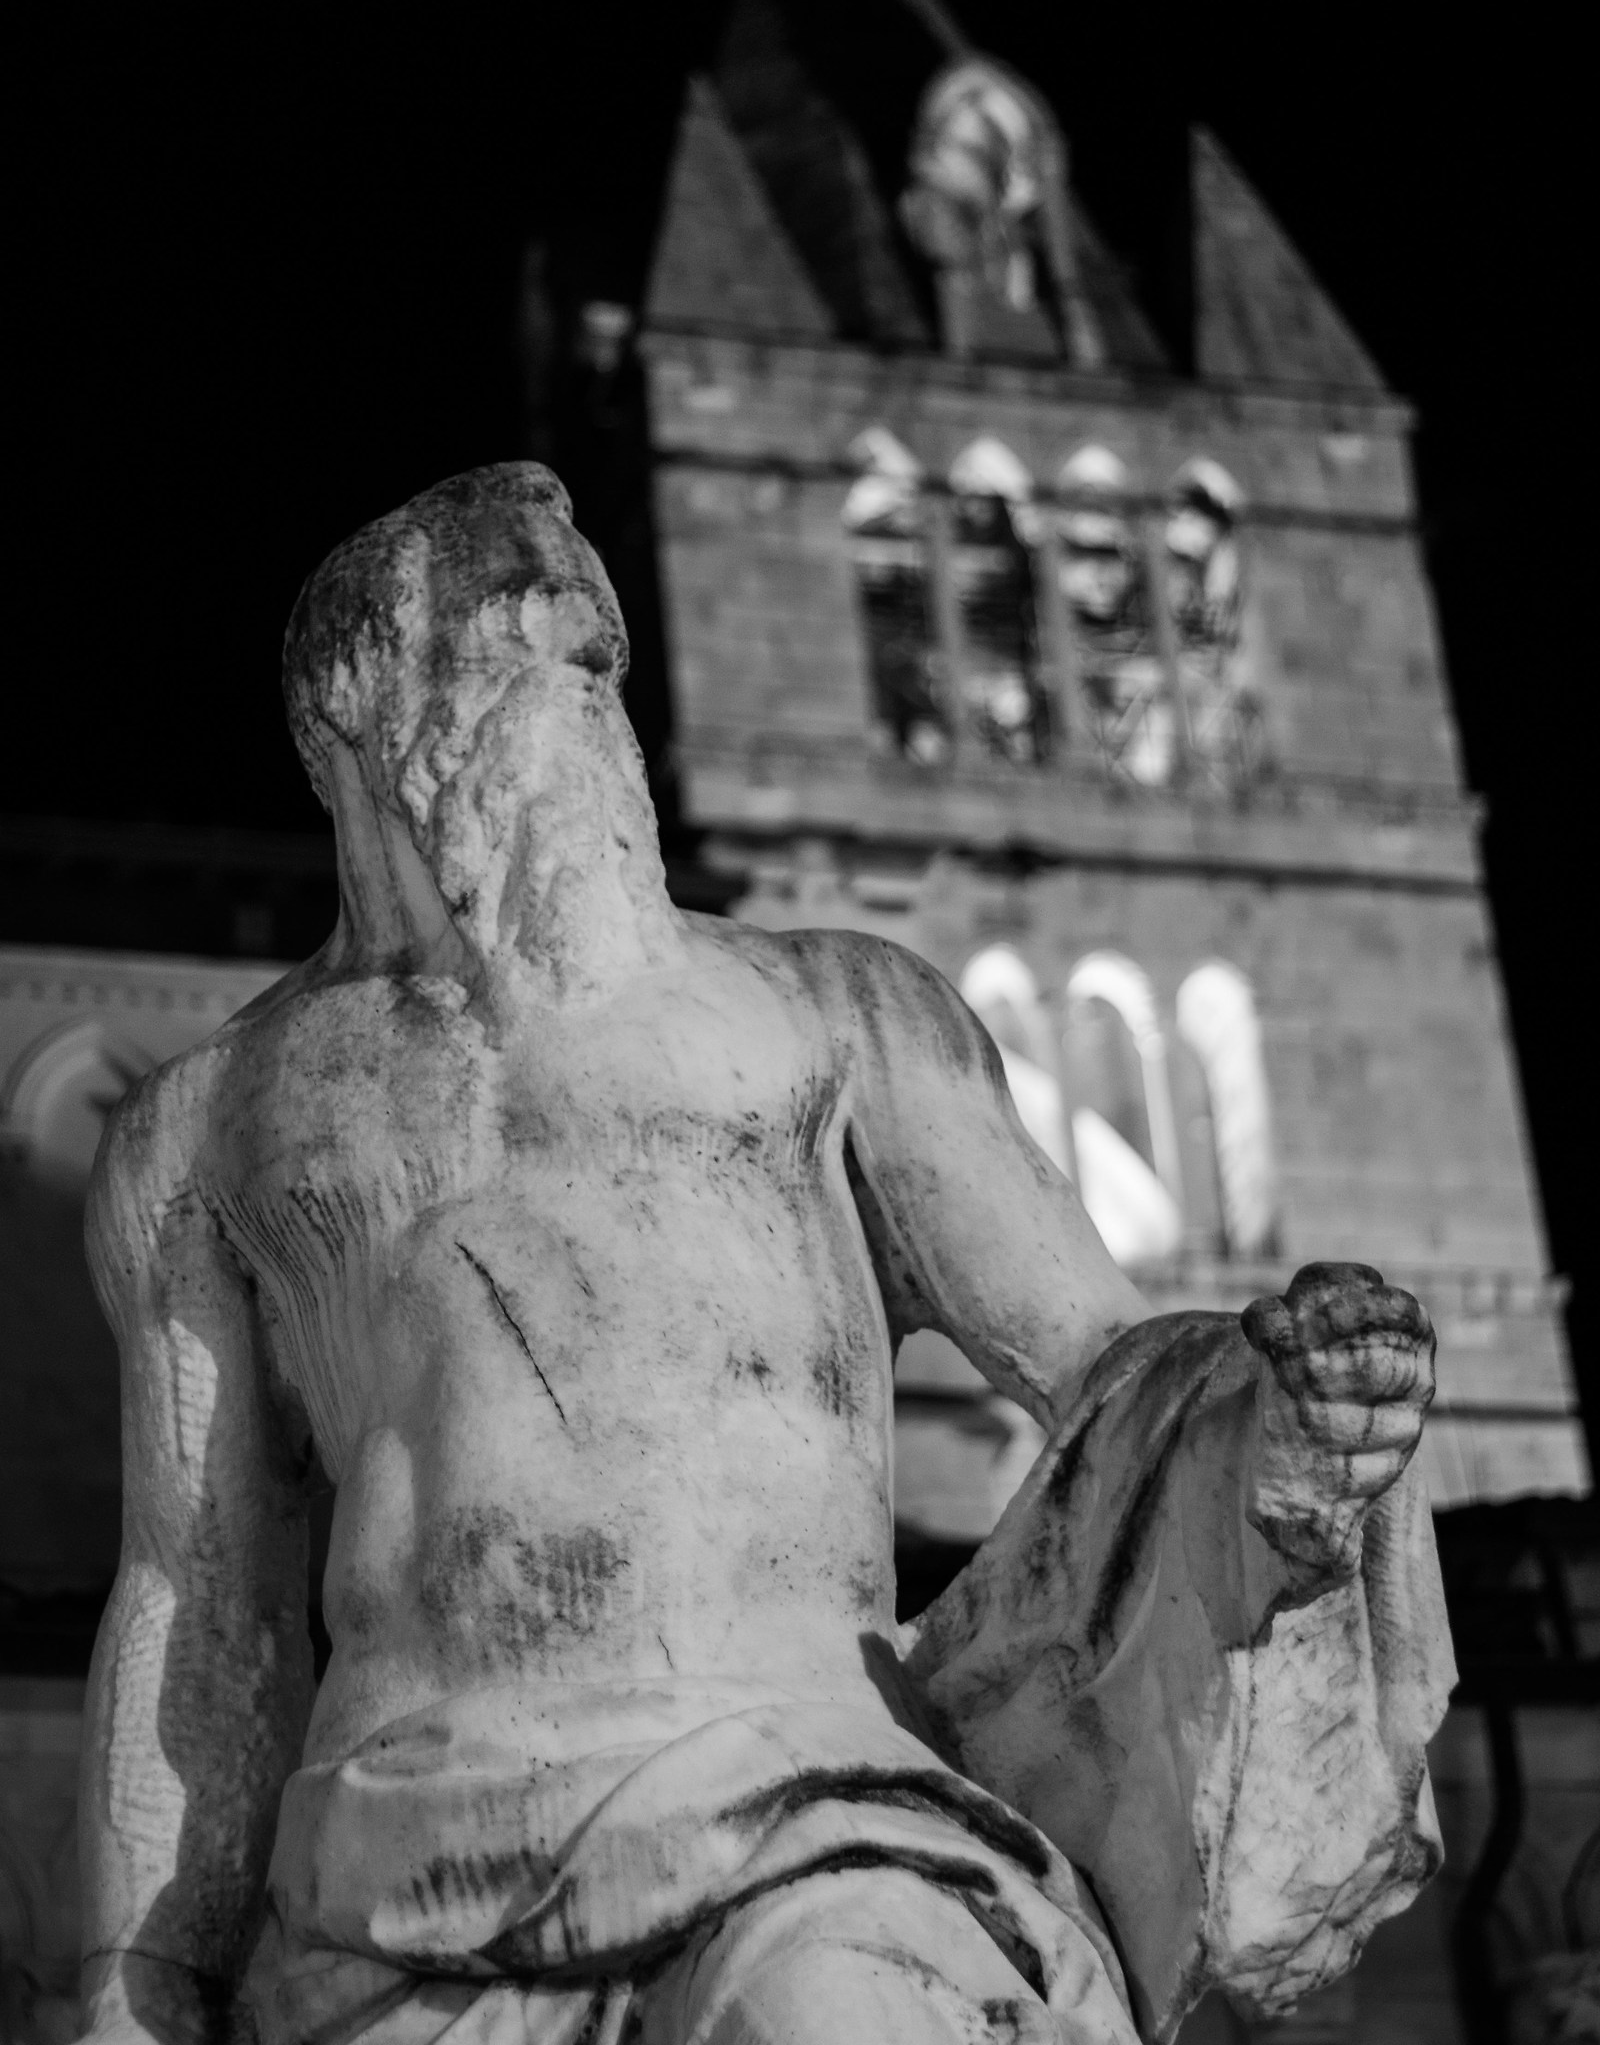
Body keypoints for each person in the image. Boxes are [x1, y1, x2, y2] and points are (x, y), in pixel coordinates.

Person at [77, 465, 1446, 2045]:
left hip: (817, 1812)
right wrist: (137, 1983)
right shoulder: (211, 1126)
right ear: (369, 720)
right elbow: (198, 1606)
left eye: (595, 654)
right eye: (517, 646)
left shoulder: (839, 1014)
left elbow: (1106, 1362)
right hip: (385, 1877)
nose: (586, 691)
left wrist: (1276, 1428)